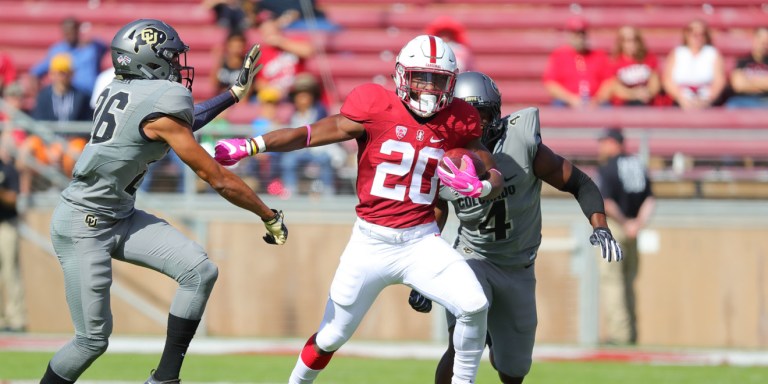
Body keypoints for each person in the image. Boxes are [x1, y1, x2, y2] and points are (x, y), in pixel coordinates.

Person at [213, 34, 505, 384]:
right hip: (370, 242)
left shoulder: (458, 118)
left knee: (474, 306)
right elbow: (310, 133)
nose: (428, 88)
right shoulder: (374, 105)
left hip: (421, 241)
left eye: (438, 80)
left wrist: (481, 181)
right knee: (331, 336)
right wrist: (253, 144)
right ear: (401, 75)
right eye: (421, 77)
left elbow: (489, 164)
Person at [39, 18, 288, 384]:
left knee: (199, 271)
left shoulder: (123, 91)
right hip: (84, 222)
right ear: (147, 59)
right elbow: (214, 175)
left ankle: (164, 379)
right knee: (91, 340)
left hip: (118, 215)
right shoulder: (159, 103)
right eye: (170, 57)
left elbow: (178, 123)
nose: (176, 65)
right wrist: (267, 214)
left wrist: (232, 95)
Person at [407, 71, 623, 384]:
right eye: (464, 115)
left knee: (513, 370)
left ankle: (498, 338)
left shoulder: (520, 146)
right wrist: (424, 274)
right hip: (472, 257)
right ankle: (484, 334)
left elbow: (580, 182)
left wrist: (600, 225)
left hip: (518, 265)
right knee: (464, 343)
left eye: (478, 115)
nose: (472, 124)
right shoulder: (444, 156)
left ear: (494, 115)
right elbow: (434, 215)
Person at [596, 127, 655, 346]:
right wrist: (637, 224)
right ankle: (631, 334)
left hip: (615, 227)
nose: (600, 147)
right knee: (629, 283)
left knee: (612, 282)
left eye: (603, 142)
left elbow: (607, 202)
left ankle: (620, 335)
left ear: (614, 143)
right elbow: (650, 199)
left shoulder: (608, 167)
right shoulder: (638, 164)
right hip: (634, 230)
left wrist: (624, 223)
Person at [542, 16, 612, 109]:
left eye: (582, 33)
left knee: (607, 107)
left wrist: (596, 100)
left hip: (595, 102)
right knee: (558, 106)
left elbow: (609, 82)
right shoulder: (559, 55)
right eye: (575, 33)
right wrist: (571, 99)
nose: (579, 37)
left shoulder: (599, 55)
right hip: (567, 102)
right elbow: (551, 83)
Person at [29, 17, 107, 97]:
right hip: (69, 98)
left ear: (77, 30)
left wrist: (92, 41)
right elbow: (36, 72)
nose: (69, 34)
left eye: (71, 31)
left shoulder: (91, 48)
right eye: (66, 31)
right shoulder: (57, 51)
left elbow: (107, 47)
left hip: (91, 95)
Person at [661, 19, 726, 110]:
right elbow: (668, 80)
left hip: (706, 99)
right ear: (686, 34)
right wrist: (681, 98)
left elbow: (719, 81)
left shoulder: (712, 53)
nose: (697, 36)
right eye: (693, 32)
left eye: (701, 33)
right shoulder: (677, 53)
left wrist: (707, 100)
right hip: (680, 100)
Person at [597, 25, 661, 106]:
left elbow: (655, 82)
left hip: (647, 102)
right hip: (625, 105)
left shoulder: (649, 58)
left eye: (635, 39)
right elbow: (612, 87)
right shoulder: (614, 62)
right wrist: (634, 94)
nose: (632, 44)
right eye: (627, 40)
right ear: (621, 43)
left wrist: (648, 92)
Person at [0, 155, 25, 333]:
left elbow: (14, 198)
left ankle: (16, 319)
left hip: (6, 226)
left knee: (10, 271)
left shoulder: (7, 169)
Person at [726, 26, 768, 108]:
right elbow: (738, 85)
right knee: (731, 105)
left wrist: (749, 81)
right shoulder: (743, 61)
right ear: (755, 39)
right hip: (743, 100)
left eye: (766, 41)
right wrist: (763, 83)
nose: (764, 43)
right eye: (761, 40)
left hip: (765, 100)